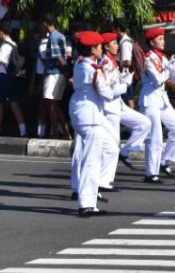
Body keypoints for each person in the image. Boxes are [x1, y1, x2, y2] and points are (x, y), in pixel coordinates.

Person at [69, 31, 118, 217]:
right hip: (90, 116)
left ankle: (94, 190)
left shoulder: (80, 62)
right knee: (91, 160)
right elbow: (107, 94)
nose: (101, 50)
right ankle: (86, 204)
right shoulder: (94, 69)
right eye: (99, 47)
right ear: (93, 49)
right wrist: (111, 79)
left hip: (83, 113)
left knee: (110, 148)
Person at [97, 32, 151, 188]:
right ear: (106, 47)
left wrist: (122, 79)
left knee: (144, 123)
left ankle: (126, 151)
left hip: (118, 105)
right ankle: (105, 180)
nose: (117, 46)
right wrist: (125, 85)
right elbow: (107, 92)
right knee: (112, 144)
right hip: (110, 108)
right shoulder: (105, 63)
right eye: (113, 43)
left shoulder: (112, 61)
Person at [140, 28, 175, 183]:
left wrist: (173, 69)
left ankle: (164, 161)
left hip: (162, 99)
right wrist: (168, 70)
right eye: (160, 39)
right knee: (155, 137)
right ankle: (151, 173)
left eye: (163, 38)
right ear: (152, 42)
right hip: (150, 99)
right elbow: (157, 79)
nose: (163, 41)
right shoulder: (149, 58)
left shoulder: (162, 57)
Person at [0, 21, 27, 137]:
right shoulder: (14, 44)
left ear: (1, 33)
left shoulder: (5, 46)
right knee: (14, 105)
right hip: (14, 77)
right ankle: (23, 131)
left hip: (4, 78)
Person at [40, 13, 69, 139]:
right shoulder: (61, 35)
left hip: (53, 73)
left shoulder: (52, 38)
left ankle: (56, 134)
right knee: (55, 105)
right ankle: (66, 133)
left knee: (50, 105)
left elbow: (59, 59)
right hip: (59, 74)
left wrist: (64, 71)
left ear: (45, 24)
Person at [113, 19, 136, 109]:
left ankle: (133, 117)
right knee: (128, 97)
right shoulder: (128, 40)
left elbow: (127, 61)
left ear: (117, 29)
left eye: (113, 29)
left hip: (127, 74)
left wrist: (120, 69)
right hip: (129, 73)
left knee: (128, 98)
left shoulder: (125, 43)